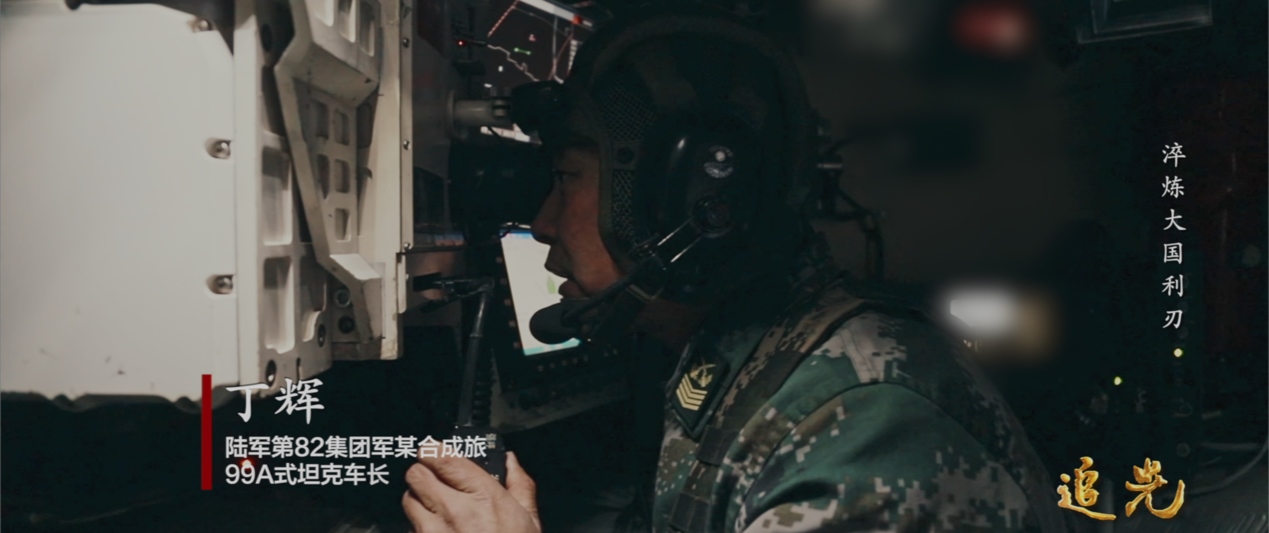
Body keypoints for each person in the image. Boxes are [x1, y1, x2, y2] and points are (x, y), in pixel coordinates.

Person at [402, 8, 1072, 533]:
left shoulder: (864, 426)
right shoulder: (739, 360)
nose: (543, 222)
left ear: (679, 201)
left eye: (565, 178)